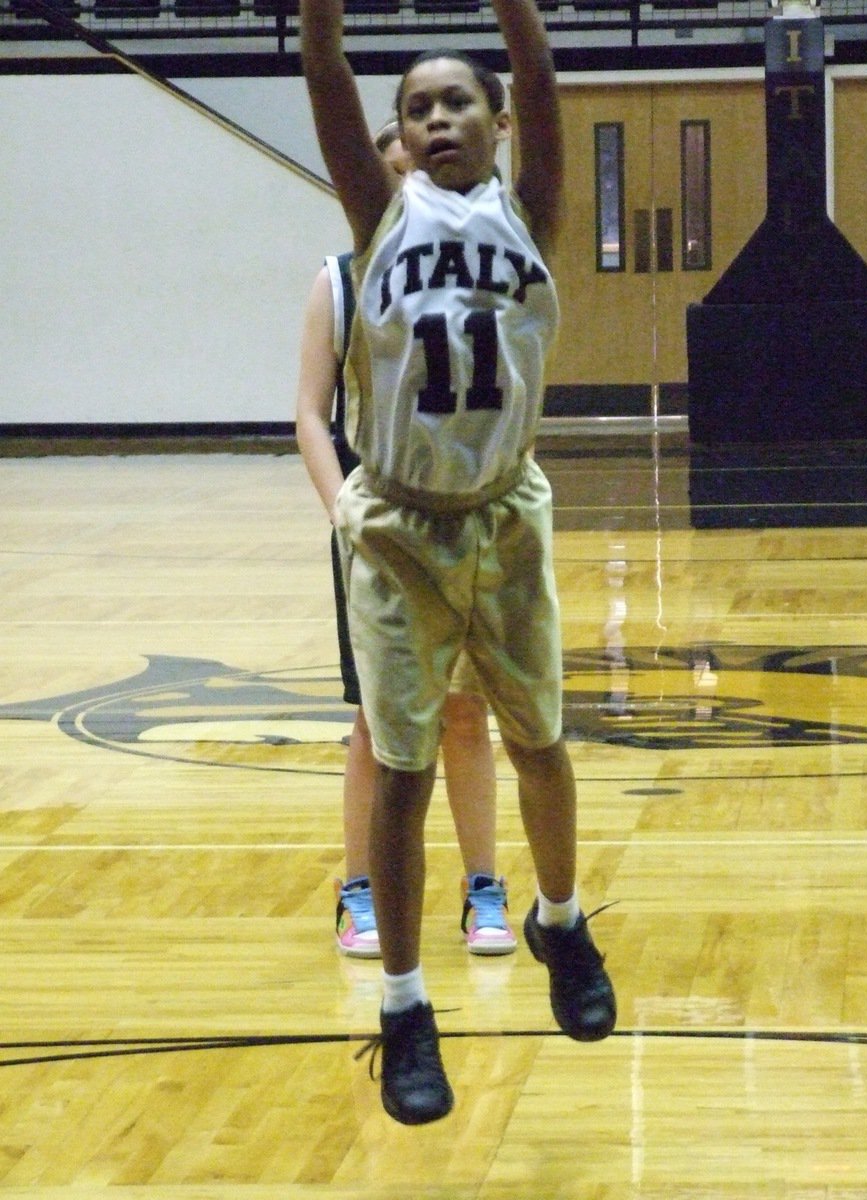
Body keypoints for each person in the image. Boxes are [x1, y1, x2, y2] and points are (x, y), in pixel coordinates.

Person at [300, 0, 616, 1126]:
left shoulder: (531, 211)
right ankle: (403, 1007)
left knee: (540, 744)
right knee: (404, 768)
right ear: (397, 134)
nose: (436, 120)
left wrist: (517, 18)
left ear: (499, 119)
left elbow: (541, 65)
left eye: (457, 102)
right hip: (401, 525)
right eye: (417, 108)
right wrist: (321, 23)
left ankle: (559, 922)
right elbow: (324, 69)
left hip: (503, 514)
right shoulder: (380, 218)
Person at [295, 120, 517, 959]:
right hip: (377, 526)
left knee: (466, 713)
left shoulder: (484, 274)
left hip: (469, 517)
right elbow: (310, 413)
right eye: (391, 176)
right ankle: (358, 890)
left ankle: (483, 886)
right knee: (377, 720)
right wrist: (345, 512)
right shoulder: (340, 281)